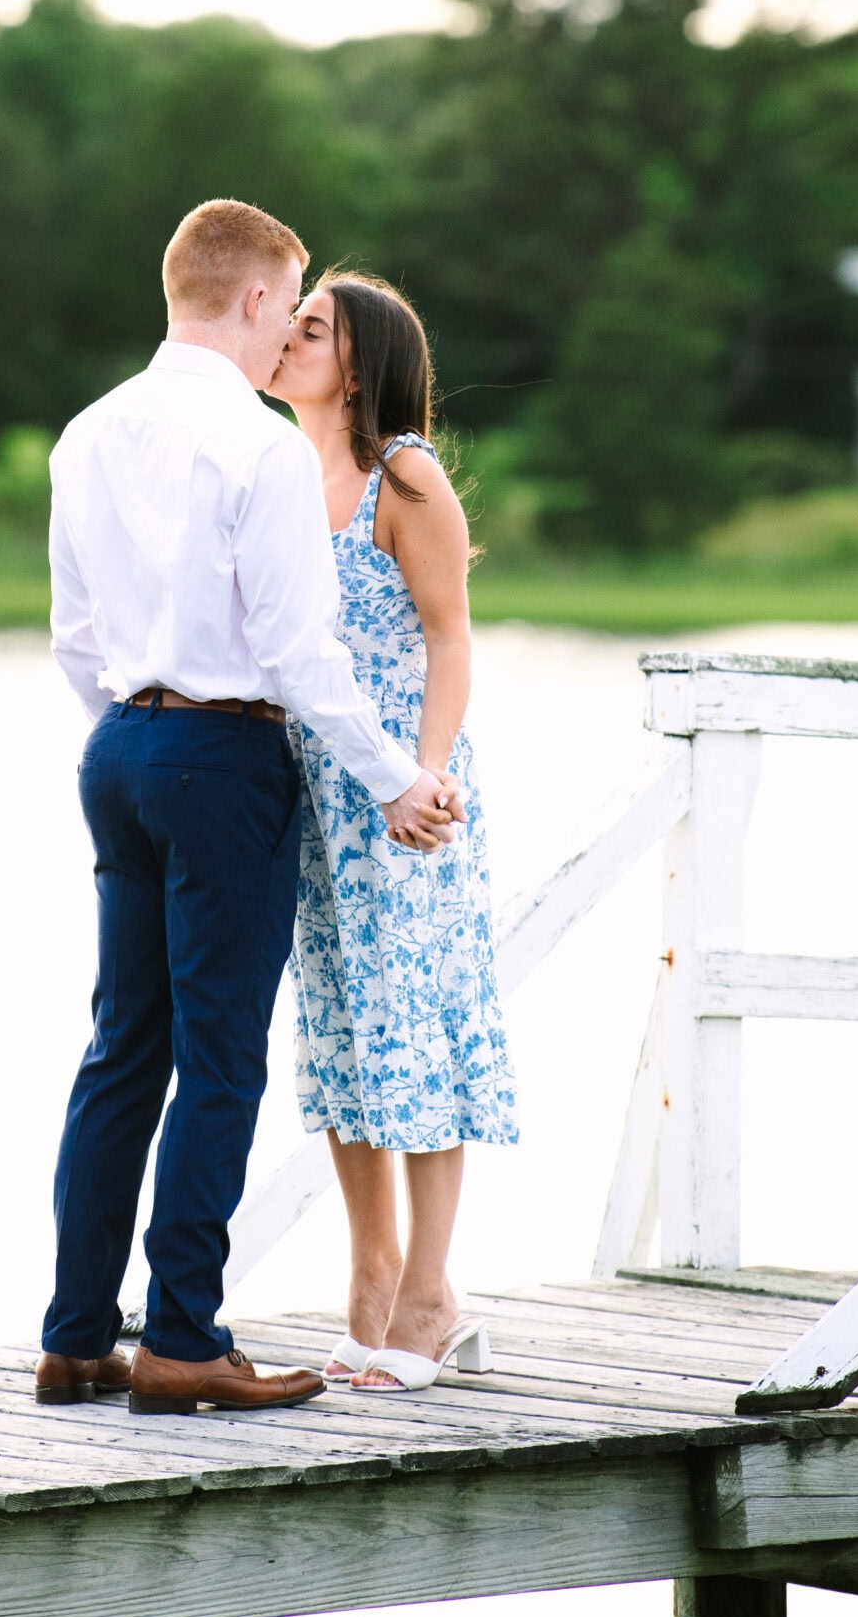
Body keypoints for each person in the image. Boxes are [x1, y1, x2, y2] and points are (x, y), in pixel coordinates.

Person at [39, 201, 460, 1418]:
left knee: (123, 1049)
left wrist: (133, 735)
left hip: (116, 747)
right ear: (257, 299)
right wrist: (397, 779)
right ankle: (181, 1340)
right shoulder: (258, 445)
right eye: (288, 304)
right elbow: (296, 651)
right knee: (218, 1063)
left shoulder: (87, 430)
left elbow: (76, 638)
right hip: (223, 759)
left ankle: (76, 1340)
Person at [270, 271, 518, 1392]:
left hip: (402, 792)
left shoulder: (401, 474)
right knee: (337, 1029)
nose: (283, 338)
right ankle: (367, 1280)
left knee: (413, 1020)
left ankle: (428, 1291)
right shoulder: (281, 472)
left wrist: (421, 770)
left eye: (308, 327)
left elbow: (449, 636)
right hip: (306, 791)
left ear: (358, 361)